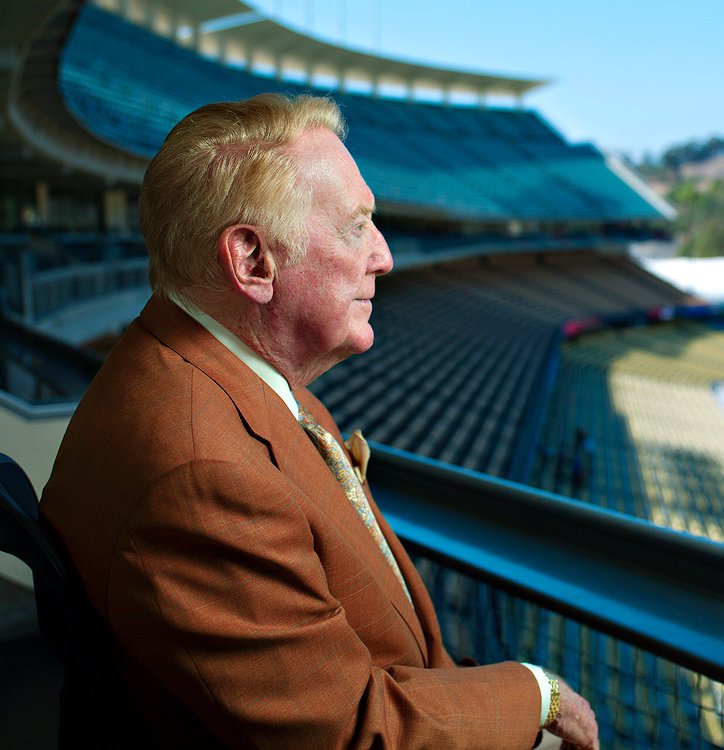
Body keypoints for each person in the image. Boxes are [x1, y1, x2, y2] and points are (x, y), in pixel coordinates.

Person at [40, 94, 598, 750]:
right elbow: (351, 735)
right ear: (253, 262)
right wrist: (536, 693)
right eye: (356, 227)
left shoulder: (229, 383)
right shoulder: (203, 474)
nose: (384, 257)